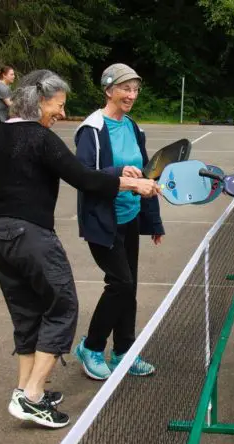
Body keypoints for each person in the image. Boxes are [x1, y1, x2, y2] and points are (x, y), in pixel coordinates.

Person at [0, 69, 160, 429]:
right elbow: (84, 178)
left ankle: (24, 388)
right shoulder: (42, 139)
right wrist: (130, 184)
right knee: (63, 307)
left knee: (27, 311)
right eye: (58, 106)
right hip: (29, 233)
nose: (61, 114)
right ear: (40, 102)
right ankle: (32, 397)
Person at [73, 63, 164, 380]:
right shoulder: (92, 130)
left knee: (130, 287)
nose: (132, 95)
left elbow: (148, 173)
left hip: (130, 217)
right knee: (120, 284)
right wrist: (118, 174)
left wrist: (153, 222)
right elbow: (83, 176)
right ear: (108, 89)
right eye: (126, 88)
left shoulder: (133, 127)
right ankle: (92, 346)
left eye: (136, 89)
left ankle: (124, 351)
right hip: (102, 220)